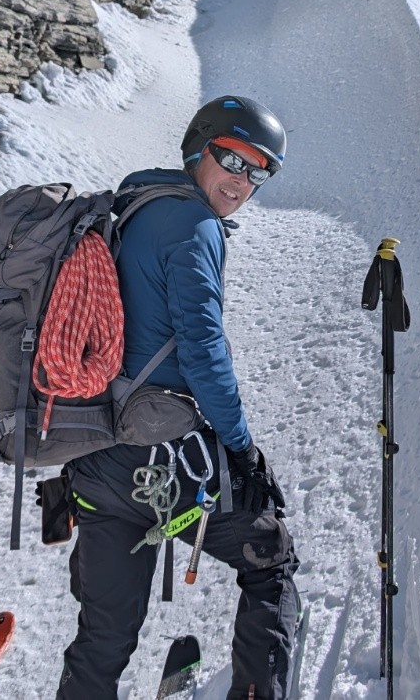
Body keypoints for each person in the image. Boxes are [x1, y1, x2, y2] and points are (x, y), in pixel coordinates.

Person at [56, 96, 299, 700]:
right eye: (233, 160)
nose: (244, 182)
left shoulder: (136, 205)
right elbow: (203, 348)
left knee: (104, 636)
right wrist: (243, 449)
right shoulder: (193, 226)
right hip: (164, 463)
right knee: (270, 560)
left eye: (259, 171)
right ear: (200, 147)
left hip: (99, 456)